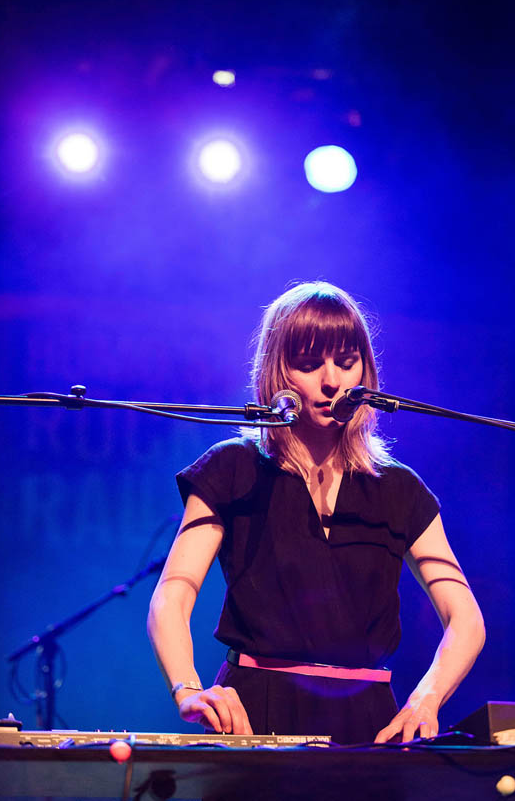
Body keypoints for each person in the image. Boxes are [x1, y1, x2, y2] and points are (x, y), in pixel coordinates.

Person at [147, 282, 485, 745]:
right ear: (275, 371)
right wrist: (187, 687)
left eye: (347, 362)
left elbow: (465, 617)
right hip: (254, 712)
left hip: (369, 722)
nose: (332, 381)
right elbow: (173, 594)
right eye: (309, 364)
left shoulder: (399, 488)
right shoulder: (233, 467)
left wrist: (426, 698)